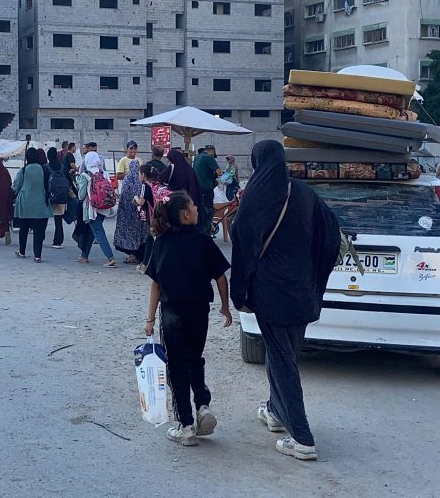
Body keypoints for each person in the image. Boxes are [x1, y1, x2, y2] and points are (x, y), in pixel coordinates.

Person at [229, 140, 341, 462]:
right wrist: (314, 272)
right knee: (285, 354)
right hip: (302, 291)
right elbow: (331, 233)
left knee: (282, 360)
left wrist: (240, 295)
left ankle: (302, 437)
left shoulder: (254, 197)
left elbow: (243, 247)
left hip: (271, 295)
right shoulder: (304, 193)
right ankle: (277, 412)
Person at [144, 192, 232, 446]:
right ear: (186, 214)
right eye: (193, 205)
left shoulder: (161, 243)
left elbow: (155, 285)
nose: (197, 208)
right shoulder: (203, 241)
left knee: (177, 366)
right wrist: (225, 307)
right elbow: (221, 278)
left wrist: (150, 320)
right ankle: (203, 405)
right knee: (195, 359)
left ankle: (186, 425)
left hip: (172, 313)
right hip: (199, 311)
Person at [76, 151, 116, 267]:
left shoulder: (85, 175)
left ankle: (110, 257)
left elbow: (81, 195)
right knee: (92, 232)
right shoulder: (104, 173)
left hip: (92, 209)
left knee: (98, 232)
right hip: (104, 207)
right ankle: (84, 255)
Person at [13, 148, 52, 262]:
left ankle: (22, 251)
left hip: (25, 203)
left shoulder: (24, 170)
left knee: (24, 229)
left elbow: (16, 186)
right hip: (41, 203)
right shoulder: (44, 169)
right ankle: (37, 256)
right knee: (39, 231)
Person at [114, 158, 147, 264]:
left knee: (128, 233)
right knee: (139, 233)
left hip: (126, 212)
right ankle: (138, 254)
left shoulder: (127, 179)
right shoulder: (141, 180)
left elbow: (123, 194)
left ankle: (132, 255)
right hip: (139, 211)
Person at [193, 145, 222, 236]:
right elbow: (219, 172)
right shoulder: (208, 157)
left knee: (201, 209)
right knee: (209, 210)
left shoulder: (198, 157)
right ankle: (207, 231)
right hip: (207, 188)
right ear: (212, 151)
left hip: (198, 188)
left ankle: (201, 229)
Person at [46, 147, 71, 249]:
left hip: (49, 196)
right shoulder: (62, 167)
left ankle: (40, 237)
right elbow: (69, 180)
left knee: (44, 219)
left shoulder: (46, 167)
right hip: (61, 196)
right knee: (58, 220)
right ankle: (58, 241)